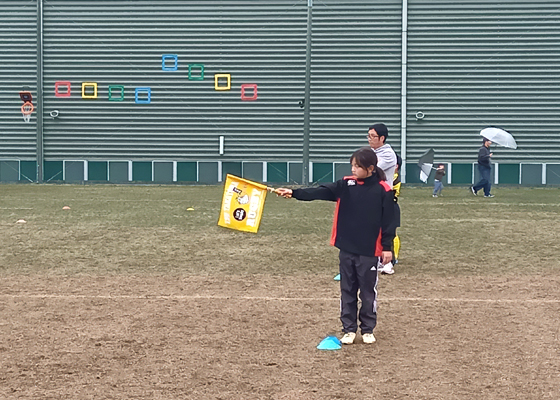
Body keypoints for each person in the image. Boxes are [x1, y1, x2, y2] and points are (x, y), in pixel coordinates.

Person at [275, 147, 395, 345]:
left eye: (358, 166)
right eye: (352, 165)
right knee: (347, 290)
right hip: (346, 248)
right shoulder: (346, 185)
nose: (354, 169)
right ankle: (348, 329)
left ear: (371, 168)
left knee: (367, 292)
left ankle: (367, 329)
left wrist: (387, 247)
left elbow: (389, 221)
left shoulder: (383, 190)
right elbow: (320, 192)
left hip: (369, 251)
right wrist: (294, 193)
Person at [367, 123, 397, 274]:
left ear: (382, 138)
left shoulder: (388, 154)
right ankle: (376, 260)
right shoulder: (371, 152)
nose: (369, 139)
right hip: (371, 196)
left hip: (384, 196)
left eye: (373, 136)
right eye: (369, 136)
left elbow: (370, 170)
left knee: (385, 229)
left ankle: (387, 263)